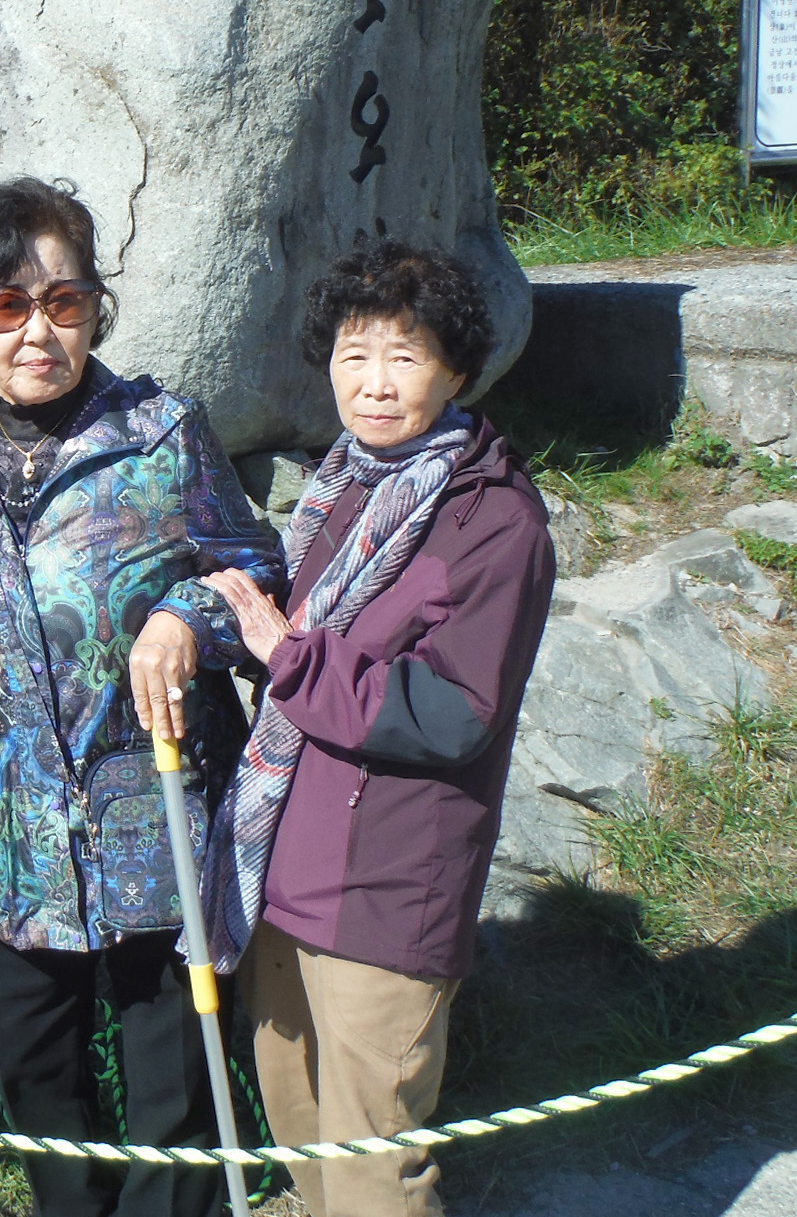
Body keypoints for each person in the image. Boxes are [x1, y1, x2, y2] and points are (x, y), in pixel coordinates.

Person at [0, 176, 284, 1217]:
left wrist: (188, 616)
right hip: (9, 829)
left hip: (151, 815)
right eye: (5, 306)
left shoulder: (161, 435)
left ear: (93, 309)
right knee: (35, 1073)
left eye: (63, 301)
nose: (38, 332)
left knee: (173, 1073)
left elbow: (257, 568)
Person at [198, 239, 556, 1217]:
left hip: (388, 881)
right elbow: (290, 628)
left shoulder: (494, 522)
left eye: (405, 356)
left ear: (456, 371)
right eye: (354, 354)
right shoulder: (345, 483)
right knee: (298, 1121)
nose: (376, 383)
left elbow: (452, 713)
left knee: (372, 1163)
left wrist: (291, 658)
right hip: (282, 864)